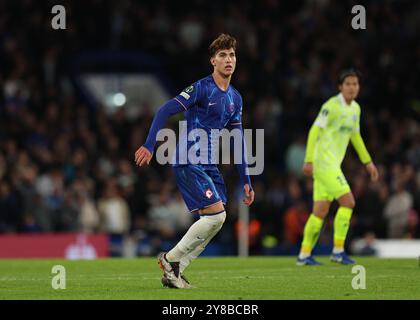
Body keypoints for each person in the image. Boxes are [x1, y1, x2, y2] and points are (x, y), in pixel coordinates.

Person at [134, 34, 255, 288]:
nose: (228, 59)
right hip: (188, 157)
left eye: (232, 54)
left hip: (208, 163)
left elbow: (237, 140)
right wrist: (149, 144)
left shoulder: (235, 98)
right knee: (215, 216)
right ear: (213, 61)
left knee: (217, 220)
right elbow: (165, 109)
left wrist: (246, 179)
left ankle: (175, 270)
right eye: (222, 55)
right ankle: (170, 259)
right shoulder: (201, 88)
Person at [297, 69, 379, 266]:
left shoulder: (355, 109)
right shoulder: (331, 106)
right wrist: (308, 160)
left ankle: (304, 255)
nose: (352, 87)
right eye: (348, 84)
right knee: (348, 202)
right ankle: (338, 251)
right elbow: (314, 130)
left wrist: (368, 163)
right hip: (324, 163)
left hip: (331, 164)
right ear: (340, 87)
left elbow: (356, 137)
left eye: (355, 84)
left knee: (320, 211)